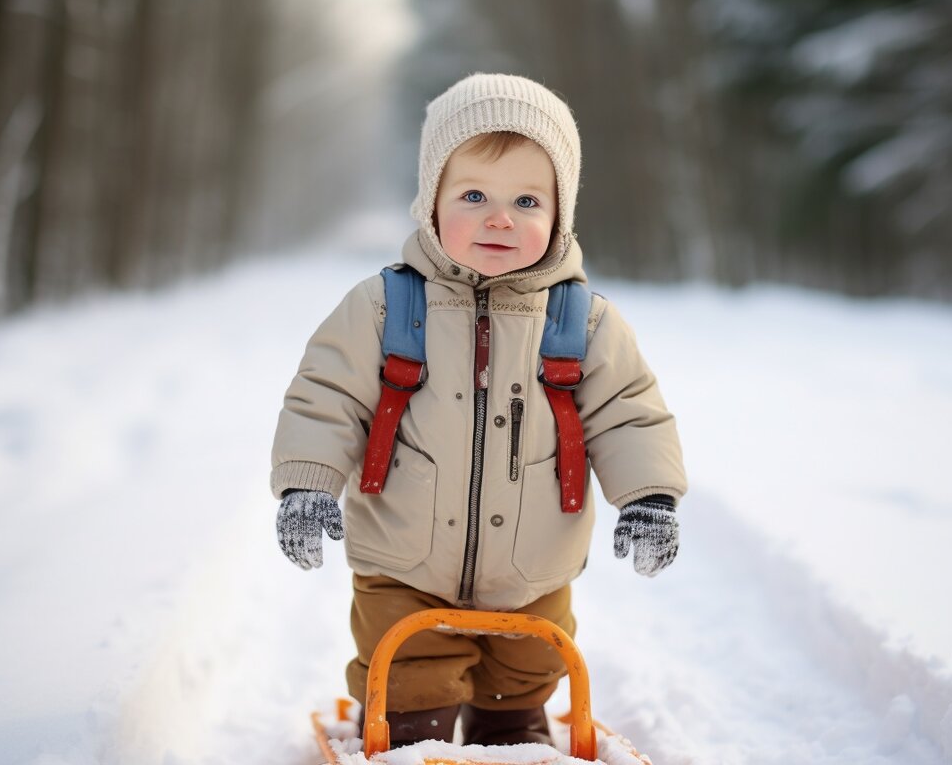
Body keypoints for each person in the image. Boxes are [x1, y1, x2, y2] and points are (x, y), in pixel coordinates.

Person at [271, 73, 687, 748]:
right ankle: (412, 736)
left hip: (534, 569)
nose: (501, 218)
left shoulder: (583, 321)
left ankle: (512, 734)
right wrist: (306, 483)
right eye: (474, 195)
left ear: (560, 214)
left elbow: (629, 413)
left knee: (523, 680)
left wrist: (650, 498)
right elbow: (326, 395)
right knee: (408, 678)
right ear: (430, 204)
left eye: (527, 199)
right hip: (404, 563)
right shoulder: (382, 307)